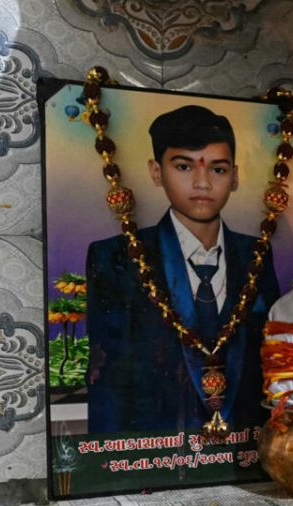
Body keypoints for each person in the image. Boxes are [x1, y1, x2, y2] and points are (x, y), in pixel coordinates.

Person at [86, 105, 280, 434]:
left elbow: (272, 361)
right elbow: (107, 379)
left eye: (218, 170)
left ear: (235, 176)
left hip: (246, 452)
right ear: (157, 172)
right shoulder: (116, 257)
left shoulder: (255, 255)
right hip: (153, 455)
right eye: (183, 166)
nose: (202, 182)